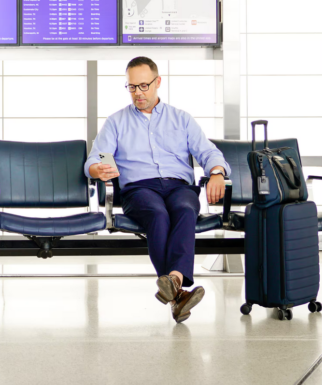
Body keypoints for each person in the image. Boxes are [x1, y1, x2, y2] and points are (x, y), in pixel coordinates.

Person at [85, 56, 230, 324]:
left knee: (186, 209)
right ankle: (178, 287)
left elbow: (208, 152)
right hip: (139, 189)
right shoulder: (116, 122)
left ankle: (172, 285)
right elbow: (94, 160)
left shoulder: (182, 119)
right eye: (131, 87)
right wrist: (98, 170)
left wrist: (217, 173)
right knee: (157, 214)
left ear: (158, 82)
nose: (138, 93)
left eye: (143, 86)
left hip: (178, 186)